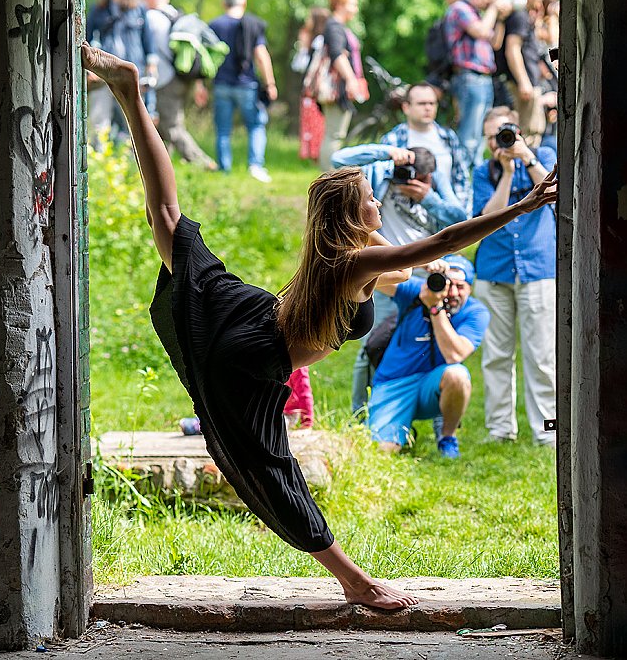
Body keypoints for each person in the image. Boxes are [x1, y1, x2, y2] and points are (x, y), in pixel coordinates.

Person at [81, 42, 557, 610]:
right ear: (356, 218)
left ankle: (130, 93)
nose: (379, 202)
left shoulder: (353, 249)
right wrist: (523, 205)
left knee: (168, 223)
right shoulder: (352, 263)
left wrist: (414, 254)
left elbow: (410, 258)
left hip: (251, 315)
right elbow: (445, 241)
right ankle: (356, 582)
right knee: (271, 469)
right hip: (252, 352)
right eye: (369, 200)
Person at [330, 141, 467, 413]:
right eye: (406, 173)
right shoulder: (383, 175)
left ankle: (435, 421)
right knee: (374, 342)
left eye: (418, 177)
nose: (408, 180)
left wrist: (428, 197)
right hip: (382, 266)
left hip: (426, 270)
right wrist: (386, 153)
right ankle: (362, 414)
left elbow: (461, 218)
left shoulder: (435, 185)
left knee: (432, 347)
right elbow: (339, 160)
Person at [473, 107, 558, 446]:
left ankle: (547, 432)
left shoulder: (545, 155)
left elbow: (556, 192)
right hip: (495, 272)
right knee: (496, 356)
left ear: (519, 132)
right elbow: (487, 217)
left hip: (538, 270)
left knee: (541, 357)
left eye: (506, 134)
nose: (501, 143)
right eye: (494, 137)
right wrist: (507, 174)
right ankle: (500, 430)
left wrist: (526, 157)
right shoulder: (484, 172)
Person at [367, 254, 489, 458]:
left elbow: (455, 354)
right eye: (447, 284)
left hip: (433, 386)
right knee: (380, 452)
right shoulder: (418, 291)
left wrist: (435, 308)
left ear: (470, 288)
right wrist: (417, 263)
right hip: (395, 383)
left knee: (458, 375)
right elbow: (369, 276)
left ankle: (447, 437)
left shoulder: (476, 312)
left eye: (461, 286)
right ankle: (396, 427)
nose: (452, 292)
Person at [138, 0, 217, 171]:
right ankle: (165, 165)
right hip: (182, 78)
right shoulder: (176, 15)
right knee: (170, 122)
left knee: (172, 126)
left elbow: (149, 52)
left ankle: (203, 162)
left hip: (166, 79)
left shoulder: (152, 18)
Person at [208, 0, 278, 182]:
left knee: (222, 128)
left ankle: (224, 168)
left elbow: (206, 58)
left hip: (221, 84)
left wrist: (200, 85)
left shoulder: (214, 25)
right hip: (247, 85)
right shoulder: (253, 25)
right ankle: (255, 166)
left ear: (224, 3)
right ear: (244, 2)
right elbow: (261, 55)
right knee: (255, 125)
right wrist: (270, 83)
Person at [86, 0, 158, 144]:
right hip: (103, 74)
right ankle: (100, 167)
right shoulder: (98, 9)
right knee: (98, 124)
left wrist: (152, 66)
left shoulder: (139, 9)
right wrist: (87, 70)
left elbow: (148, 39)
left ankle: (133, 167)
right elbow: (84, 40)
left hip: (132, 73)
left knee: (134, 123)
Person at [444, 0, 512, 164]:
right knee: (469, 134)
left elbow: (495, 42)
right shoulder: (460, 8)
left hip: (483, 79)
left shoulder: (478, 14)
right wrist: (494, 9)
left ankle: (472, 174)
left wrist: (500, 19)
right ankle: (463, 177)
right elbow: (482, 31)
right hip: (470, 77)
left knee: (479, 133)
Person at [379, 82, 473, 214]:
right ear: (406, 107)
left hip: (444, 216)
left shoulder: (448, 137)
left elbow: (461, 178)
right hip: (407, 214)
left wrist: (462, 215)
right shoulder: (393, 140)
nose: (428, 108)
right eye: (422, 103)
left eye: (432, 103)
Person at [495, 0, 548, 147]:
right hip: (522, 84)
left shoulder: (524, 15)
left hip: (528, 82)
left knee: (533, 129)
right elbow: (513, 49)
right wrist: (524, 82)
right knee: (527, 131)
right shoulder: (519, 16)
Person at [318, 0, 368, 169]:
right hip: (336, 89)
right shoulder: (334, 27)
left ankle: (330, 177)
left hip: (339, 88)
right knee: (334, 134)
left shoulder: (337, 26)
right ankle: (329, 178)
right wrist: (351, 79)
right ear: (339, 5)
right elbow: (337, 55)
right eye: (352, 4)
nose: (355, 9)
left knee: (335, 133)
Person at [296, 6, 331, 163]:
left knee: (317, 126)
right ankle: (314, 156)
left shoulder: (319, 41)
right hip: (312, 91)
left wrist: (303, 47)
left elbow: (301, 65)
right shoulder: (314, 41)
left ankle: (317, 157)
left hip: (315, 92)